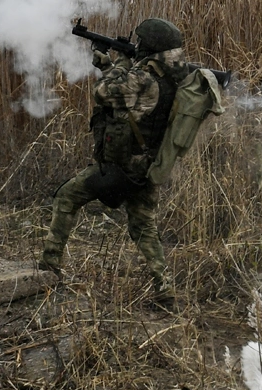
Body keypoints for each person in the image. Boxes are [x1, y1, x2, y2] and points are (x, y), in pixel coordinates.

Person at [38, 18, 222, 299]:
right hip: (149, 166)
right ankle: (165, 285)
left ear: (148, 47)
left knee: (66, 198)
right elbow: (132, 98)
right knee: (143, 227)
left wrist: (117, 64)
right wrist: (113, 65)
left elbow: (104, 93)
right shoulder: (177, 75)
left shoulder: (142, 77)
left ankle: (49, 269)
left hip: (123, 167)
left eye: (140, 44)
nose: (136, 46)